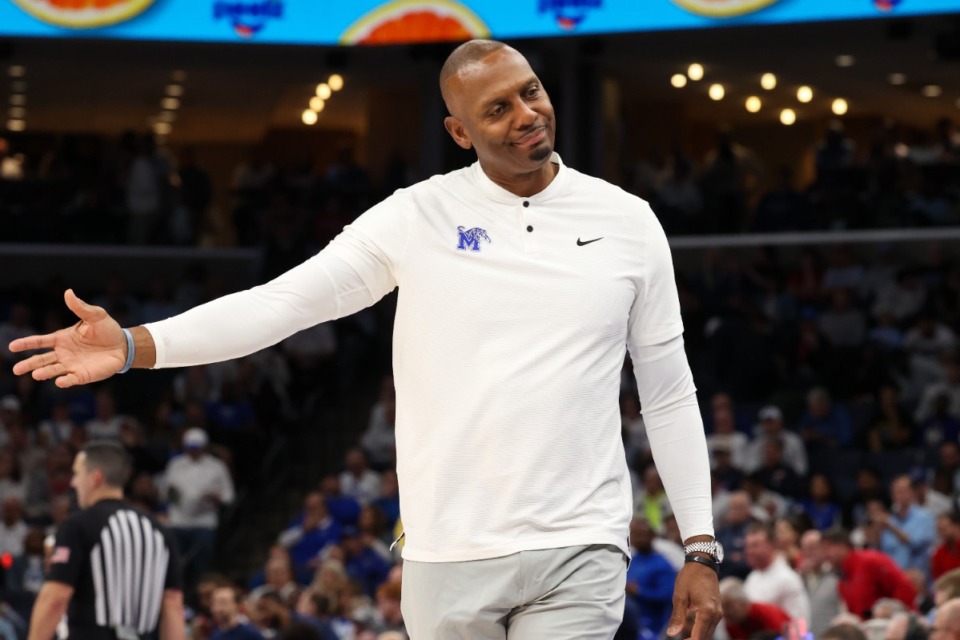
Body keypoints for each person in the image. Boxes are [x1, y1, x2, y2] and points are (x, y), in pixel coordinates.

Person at [9, 39, 721, 640]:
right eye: (497, 109)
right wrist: (137, 344)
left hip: (582, 543)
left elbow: (667, 390)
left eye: (531, 92)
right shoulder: (416, 217)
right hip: (449, 550)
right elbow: (282, 304)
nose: (527, 115)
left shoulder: (629, 221)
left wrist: (700, 546)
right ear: (460, 133)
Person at [26, 441, 185, 640]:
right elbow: (173, 605)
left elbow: (55, 598)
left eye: (77, 474)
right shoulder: (160, 531)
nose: (73, 483)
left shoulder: (78, 526)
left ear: (96, 478)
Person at [820, 527, 917, 618]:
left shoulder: (871, 561)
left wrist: (898, 619)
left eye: (827, 548)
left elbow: (904, 588)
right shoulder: (842, 579)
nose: (825, 555)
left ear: (842, 546)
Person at [743, 523, 812, 623]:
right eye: (747, 546)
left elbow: (801, 622)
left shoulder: (788, 578)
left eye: (755, 545)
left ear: (772, 545)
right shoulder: (751, 578)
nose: (749, 551)